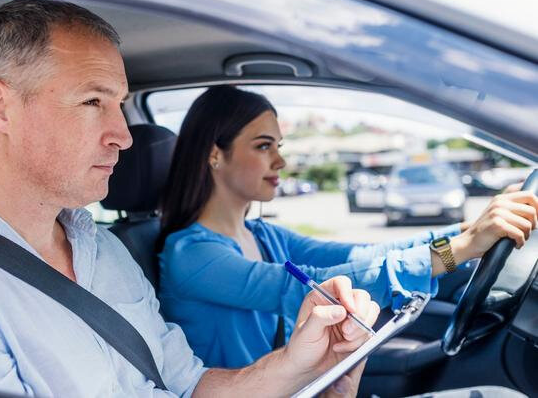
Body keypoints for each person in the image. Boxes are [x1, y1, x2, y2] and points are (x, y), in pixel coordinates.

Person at [0, 0, 379, 397]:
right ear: (1, 109)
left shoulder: (102, 249)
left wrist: (301, 366)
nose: (122, 134)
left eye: (120, 104)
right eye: (93, 101)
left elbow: (186, 386)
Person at [158, 85, 537, 369]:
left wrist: (465, 229)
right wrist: (457, 250)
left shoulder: (263, 235)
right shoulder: (191, 254)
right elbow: (313, 288)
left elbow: (362, 256)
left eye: (279, 145)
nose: (281, 161)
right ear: (214, 154)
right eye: (263, 146)